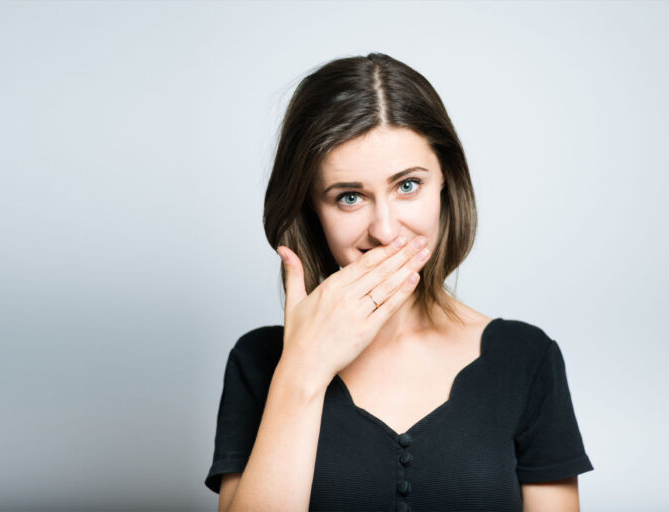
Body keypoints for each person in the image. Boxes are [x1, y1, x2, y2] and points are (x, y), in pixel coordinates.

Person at [204, 53, 594, 512]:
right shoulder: (259, 361)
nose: (386, 231)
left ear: (445, 181)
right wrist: (302, 371)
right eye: (350, 197)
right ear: (311, 207)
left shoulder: (526, 360)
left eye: (407, 185)